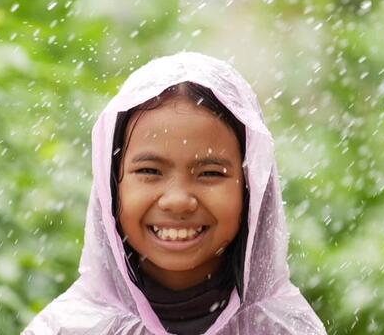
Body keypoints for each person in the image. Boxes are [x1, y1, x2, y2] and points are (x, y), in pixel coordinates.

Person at [22, 52, 326, 334]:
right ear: (113, 185)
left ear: (251, 189)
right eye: (150, 171)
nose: (178, 200)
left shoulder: (284, 329)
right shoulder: (69, 328)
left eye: (210, 173)